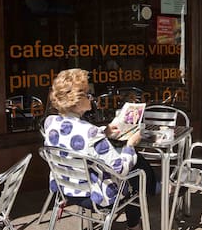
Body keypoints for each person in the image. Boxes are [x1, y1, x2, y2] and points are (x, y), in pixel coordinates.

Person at [43, 68, 155, 230]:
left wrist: (105, 131)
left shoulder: (51, 122)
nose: (92, 97)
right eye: (88, 94)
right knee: (138, 171)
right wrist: (130, 144)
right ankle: (135, 224)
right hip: (94, 195)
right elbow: (121, 169)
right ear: (76, 99)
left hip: (65, 189)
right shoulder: (90, 132)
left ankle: (152, 189)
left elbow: (75, 138)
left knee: (137, 164)